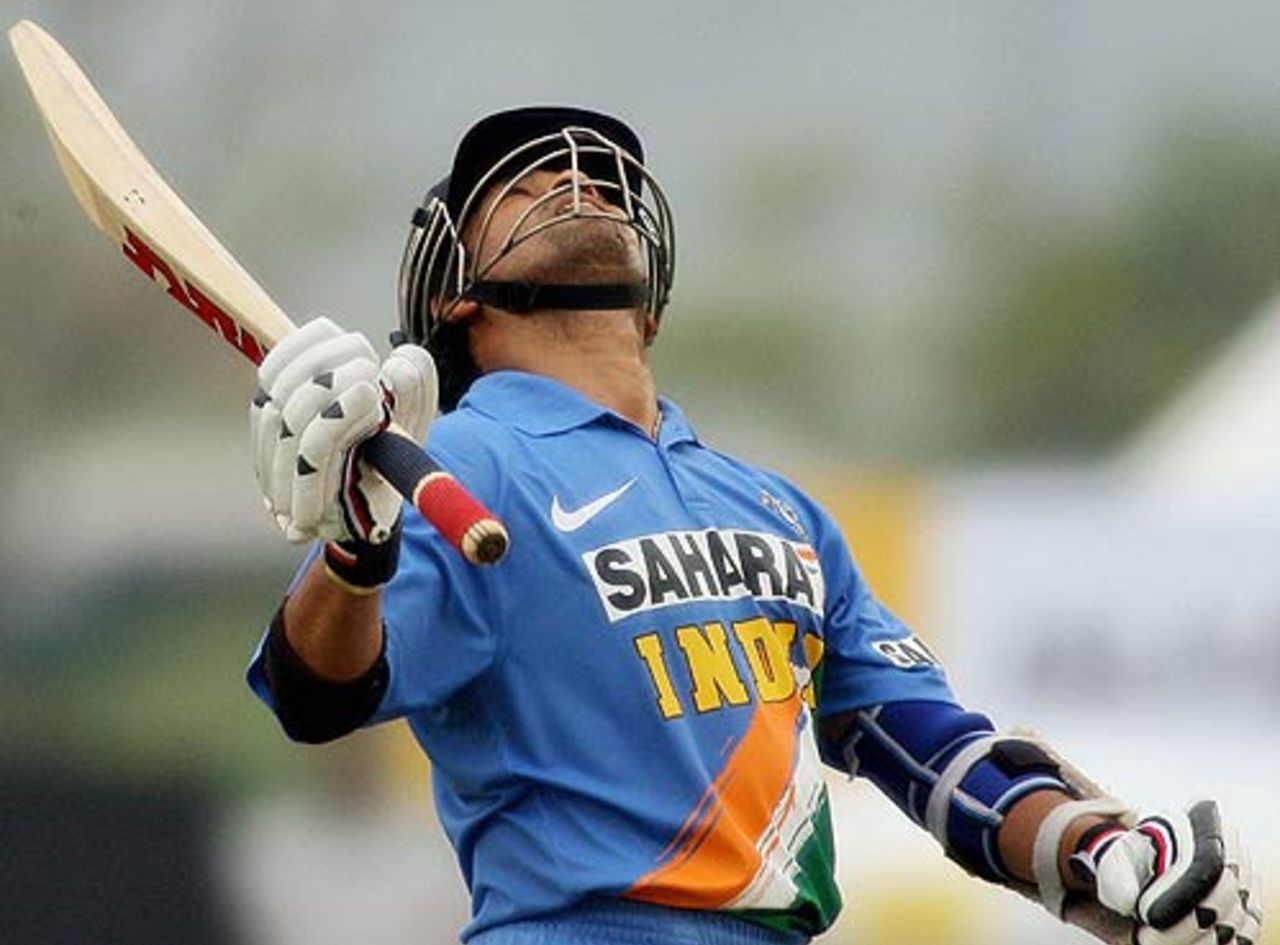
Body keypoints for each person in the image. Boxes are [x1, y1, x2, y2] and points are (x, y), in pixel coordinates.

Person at [245, 106, 1262, 945]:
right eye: (517, 184)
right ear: (453, 296)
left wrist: (1098, 855)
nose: (579, 183)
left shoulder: (775, 506)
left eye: (604, 181)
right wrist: (355, 549)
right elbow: (319, 691)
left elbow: (921, 746)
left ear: (652, 305)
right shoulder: (463, 464)